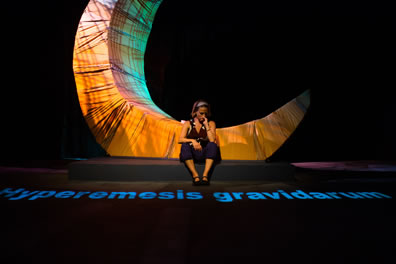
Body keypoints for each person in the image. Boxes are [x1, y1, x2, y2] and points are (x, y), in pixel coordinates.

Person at [179, 100, 218, 185]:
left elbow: (212, 140)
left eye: (206, 113)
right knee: (184, 145)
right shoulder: (188, 123)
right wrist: (193, 141)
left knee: (212, 145)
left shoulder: (211, 123)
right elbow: (180, 139)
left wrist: (206, 125)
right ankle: (195, 175)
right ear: (195, 112)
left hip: (205, 153)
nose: (204, 116)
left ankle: (205, 176)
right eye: (201, 113)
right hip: (192, 153)